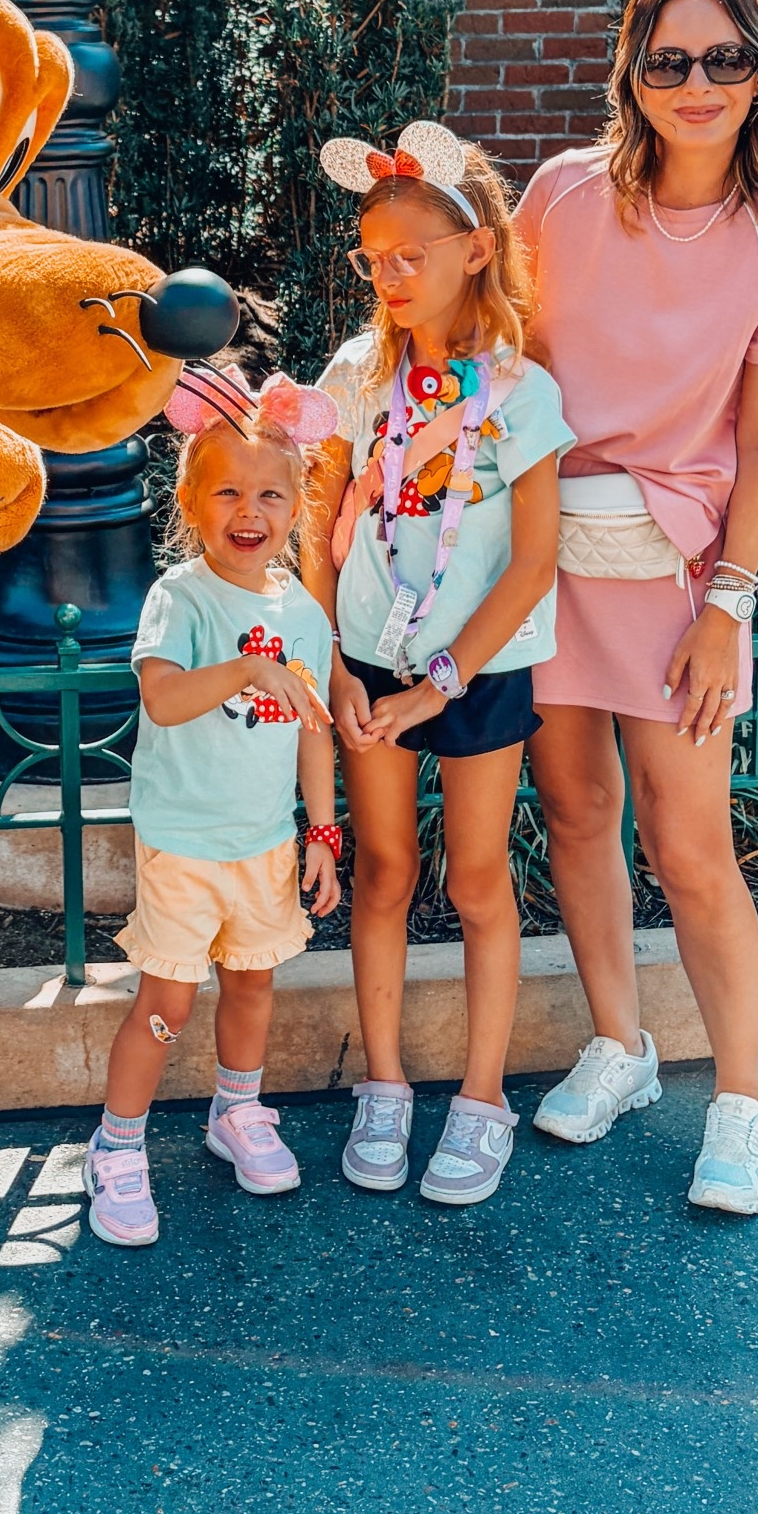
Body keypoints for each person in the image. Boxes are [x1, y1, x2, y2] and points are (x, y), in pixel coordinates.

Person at [515, 0, 758, 1216]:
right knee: (575, 811)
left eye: (723, 58)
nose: (696, 82)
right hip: (546, 560)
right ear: (633, 73)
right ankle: (622, 1043)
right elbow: (507, 371)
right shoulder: (560, 195)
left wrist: (729, 608)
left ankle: (744, 1097)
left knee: (690, 843)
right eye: (669, 60)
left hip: (676, 579)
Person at [303, 124, 573, 1206]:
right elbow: (318, 517)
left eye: (411, 253)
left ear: (477, 249)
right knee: (383, 871)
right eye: (374, 257)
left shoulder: (522, 393)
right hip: (369, 663)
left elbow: (535, 562)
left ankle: (481, 1097)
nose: (391, 274)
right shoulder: (357, 375)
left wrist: (440, 683)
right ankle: (383, 1086)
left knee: (475, 878)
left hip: (477, 670)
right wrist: (333, 659)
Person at [83, 367, 343, 1249]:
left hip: (264, 843)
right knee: (168, 1003)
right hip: (185, 844)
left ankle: (237, 1111)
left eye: (270, 494)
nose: (249, 510)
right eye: (227, 490)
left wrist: (322, 833)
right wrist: (247, 669)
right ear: (191, 502)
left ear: (296, 507)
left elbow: (313, 733)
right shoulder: (180, 598)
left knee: (253, 986)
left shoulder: (303, 613)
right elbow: (163, 699)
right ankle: (117, 1145)